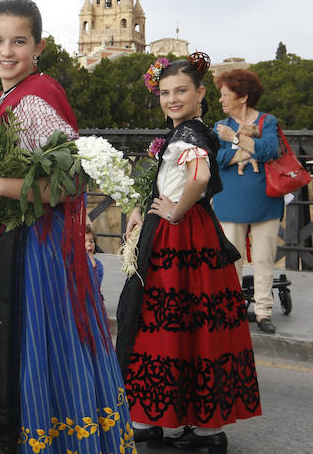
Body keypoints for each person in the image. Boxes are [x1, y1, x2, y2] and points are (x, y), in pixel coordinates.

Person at [0, 0, 134, 453]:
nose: (6, 51)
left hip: (34, 253)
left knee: (31, 350)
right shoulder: (18, 94)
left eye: (19, 41)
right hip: (21, 244)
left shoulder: (33, 101)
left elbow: (65, 184)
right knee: (42, 353)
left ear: (39, 46)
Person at [117, 55, 261, 451]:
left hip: (178, 236)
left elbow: (196, 179)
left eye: (181, 91)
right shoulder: (194, 130)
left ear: (200, 94)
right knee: (196, 327)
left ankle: (155, 417)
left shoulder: (186, 136)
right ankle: (200, 425)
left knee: (163, 323)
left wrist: (174, 211)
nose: (172, 99)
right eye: (165, 93)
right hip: (192, 234)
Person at [211, 69, 283, 334]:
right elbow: (216, 160)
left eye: (225, 95)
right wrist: (247, 151)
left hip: (266, 199)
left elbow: (271, 149)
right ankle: (232, 309)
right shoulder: (219, 126)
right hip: (230, 201)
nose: (221, 100)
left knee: (265, 259)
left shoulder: (268, 121)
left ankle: (264, 311)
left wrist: (235, 141)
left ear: (242, 97)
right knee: (232, 260)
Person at [85, 220, 104, 296]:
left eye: (91, 241)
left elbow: (95, 285)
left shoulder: (98, 265)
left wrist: (93, 267)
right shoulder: (72, 263)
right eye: (84, 241)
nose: (89, 244)